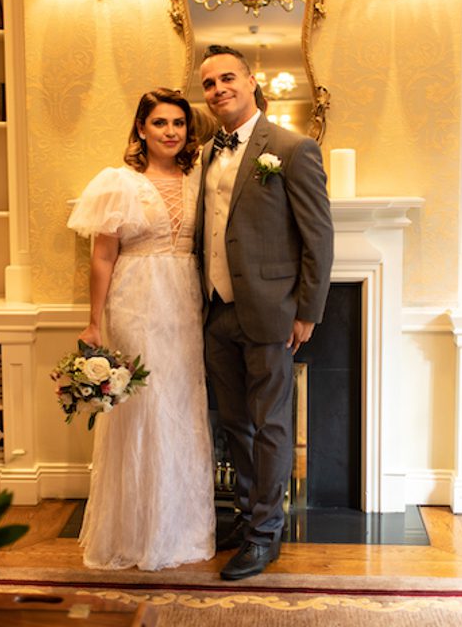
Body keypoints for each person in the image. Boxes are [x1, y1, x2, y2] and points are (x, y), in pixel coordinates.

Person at [197, 45, 334, 580]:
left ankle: (265, 534)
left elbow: (317, 236)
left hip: (272, 310)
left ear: (252, 80)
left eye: (227, 78)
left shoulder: (293, 149)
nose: (219, 89)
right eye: (209, 84)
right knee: (234, 423)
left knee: (271, 424)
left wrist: (307, 312)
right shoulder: (205, 155)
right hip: (215, 312)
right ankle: (249, 515)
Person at [67, 88, 215, 571]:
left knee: (181, 406)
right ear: (141, 128)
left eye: (178, 123)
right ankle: (134, 532)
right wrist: (94, 321)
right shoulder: (119, 183)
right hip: (135, 302)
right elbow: (103, 256)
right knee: (142, 408)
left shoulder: (200, 180)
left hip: (185, 304)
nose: (171, 132)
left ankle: (179, 529)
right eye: (160, 123)